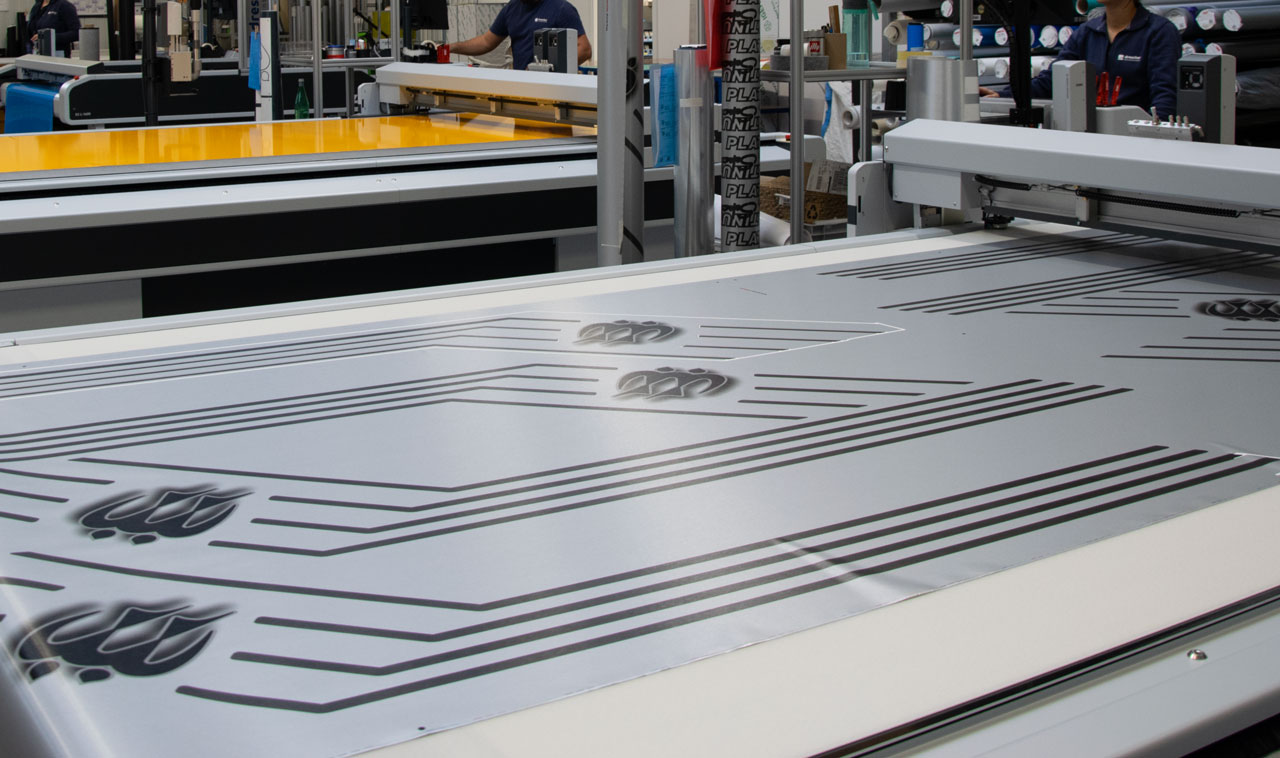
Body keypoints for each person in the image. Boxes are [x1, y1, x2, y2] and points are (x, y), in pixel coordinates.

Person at [980, 0, 1180, 117]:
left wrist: (1156, 137)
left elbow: (1164, 95)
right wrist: (1005, 96)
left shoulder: (1158, 32)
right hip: (1090, 133)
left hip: (1134, 136)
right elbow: (1052, 81)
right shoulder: (1087, 33)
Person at [451, 0, 591, 71]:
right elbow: (486, 42)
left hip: (554, 89)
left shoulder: (561, 9)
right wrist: (451, 47)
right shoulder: (512, 8)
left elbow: (584, 49)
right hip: (523, 87)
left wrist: (546, 70)